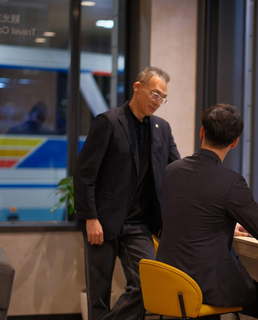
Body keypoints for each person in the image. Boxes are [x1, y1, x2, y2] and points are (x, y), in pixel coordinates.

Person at [156, 103, 258, 319]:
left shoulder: (172, 170)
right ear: (234, 142)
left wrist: (223, 223)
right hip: (205, 286)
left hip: (169, 280)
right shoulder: (231, 182)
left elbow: (188, 214)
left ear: (202, 132)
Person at [73, 66, 180, 320]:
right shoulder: (108, 122)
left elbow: (177, 173)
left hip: (140, 225)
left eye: (163, 98)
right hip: (103, 222)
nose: (158, 102)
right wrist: (90, 218)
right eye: (155, 94)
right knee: (98, 296)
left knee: (147, 286)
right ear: (137, 87)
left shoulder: (162, 129)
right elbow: (84, 174)